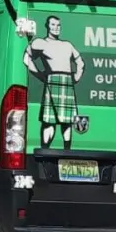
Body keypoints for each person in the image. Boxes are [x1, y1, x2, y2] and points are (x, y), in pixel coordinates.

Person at [23, 15, 85, 148]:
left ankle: (67, 150)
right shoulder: (41, 43)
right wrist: (40, 75)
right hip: (52, 81)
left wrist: (76, 77)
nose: (56, 28)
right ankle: (45, 149)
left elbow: (80, 62)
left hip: (67, 82)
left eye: (58, 25)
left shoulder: (67, 45)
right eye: (53, 25)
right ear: (47, 26)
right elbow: (26, 58)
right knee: (49, 122)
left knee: (67, 122)